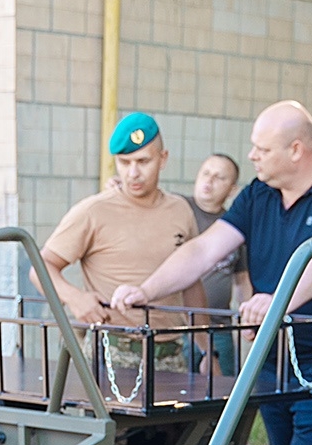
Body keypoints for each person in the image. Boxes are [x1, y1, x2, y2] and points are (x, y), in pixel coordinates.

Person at [114, 100, 312, 445]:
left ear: (296, 150)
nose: (251, 156)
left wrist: (275, 302)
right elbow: (203, 249)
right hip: (271, 359)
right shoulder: (258, 194)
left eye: (261, 148)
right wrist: (146, 290)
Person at [40, 111, 200, 326]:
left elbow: (191, 279)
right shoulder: (93, 211)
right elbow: (42, 265)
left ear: (163, 159)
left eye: (143, 161)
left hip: (171, 347)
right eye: (125, 162)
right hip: (111, 346)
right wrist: (74, 297)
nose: (133, 173)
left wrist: (207, 350)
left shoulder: (181, 209)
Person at [183, 152, 250, 375]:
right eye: (205, 173)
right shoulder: (177, 209)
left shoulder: (236, 225)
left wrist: (249, 323)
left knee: (223, 395)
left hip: (219, 328)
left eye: (219, 177)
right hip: (177, 327)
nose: (208, 181)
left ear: (232, 189)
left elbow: (242, 280)